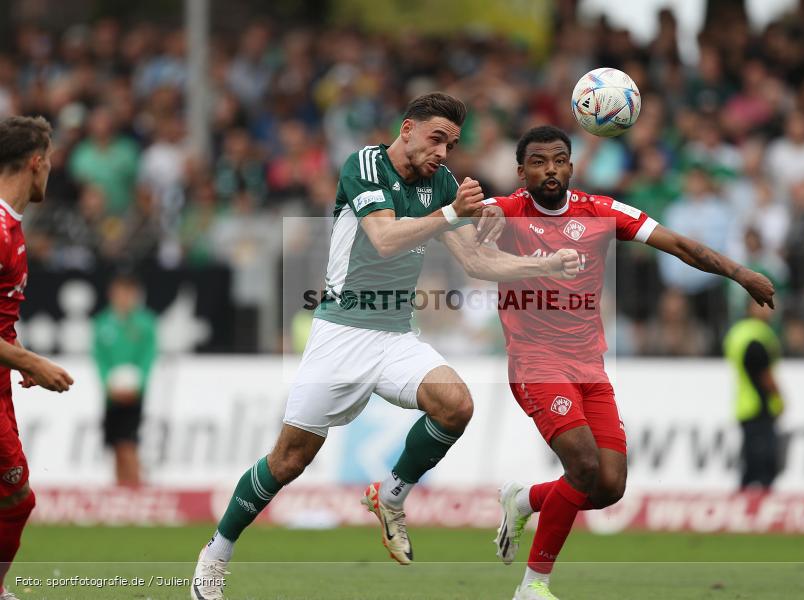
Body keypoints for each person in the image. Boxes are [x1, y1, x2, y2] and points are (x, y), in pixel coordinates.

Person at [190, 94, 579, 600]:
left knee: (457, 406)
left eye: (452, 143)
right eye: (437, 138)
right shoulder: (365, 164)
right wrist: (449, 213)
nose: (444, 152)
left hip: (395, 335)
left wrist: (544, 265)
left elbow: (476, 263)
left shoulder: (440, 183)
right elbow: (384, 238)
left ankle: (391, 496)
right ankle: (214, 556)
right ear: (409, 128)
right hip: (340, 334)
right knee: (288, 460)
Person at [477, 126, 774, 600]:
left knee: (609, 485)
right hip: (535, 362)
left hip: (589, 366)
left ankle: (525, 498)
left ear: (572, 166)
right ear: (521, 171)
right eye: (538, 161)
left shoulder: (600, 211)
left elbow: (679, 245)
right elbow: (467, 232)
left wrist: (739, 273)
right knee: (584, 463)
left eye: (559, 159)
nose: (549, 169)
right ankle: (533, 586)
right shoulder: (507, 211)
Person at [0, 116, 75, 600]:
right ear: (36, 161)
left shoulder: (14, 228)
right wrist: (31, 363)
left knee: (13, 498)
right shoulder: (0, 229)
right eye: (49, 161)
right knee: (16, 496)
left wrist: (19, 355)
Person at [92, 273, 158, 486]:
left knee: (128, 443)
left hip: (134, 395)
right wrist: (107, 384)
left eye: (129, 293)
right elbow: (99, 358)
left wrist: (139, 385)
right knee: (115, 446)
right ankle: (121, 491)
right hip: (111, 395)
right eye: (120, 293)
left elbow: (149, 357)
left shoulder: (145, 323)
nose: (124, 298)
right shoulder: (102, 323)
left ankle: (137, 488)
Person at [724, 299, 784, 490]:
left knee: (751, 463)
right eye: (764, 305)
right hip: (759, 406)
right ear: (751, 308)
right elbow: (763, 372)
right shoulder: (758, 335)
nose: (770, 310)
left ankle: (745, 505)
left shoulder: (737, 332)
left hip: (744, 405)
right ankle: (756, 508)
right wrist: (779, 397)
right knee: (765, 464)